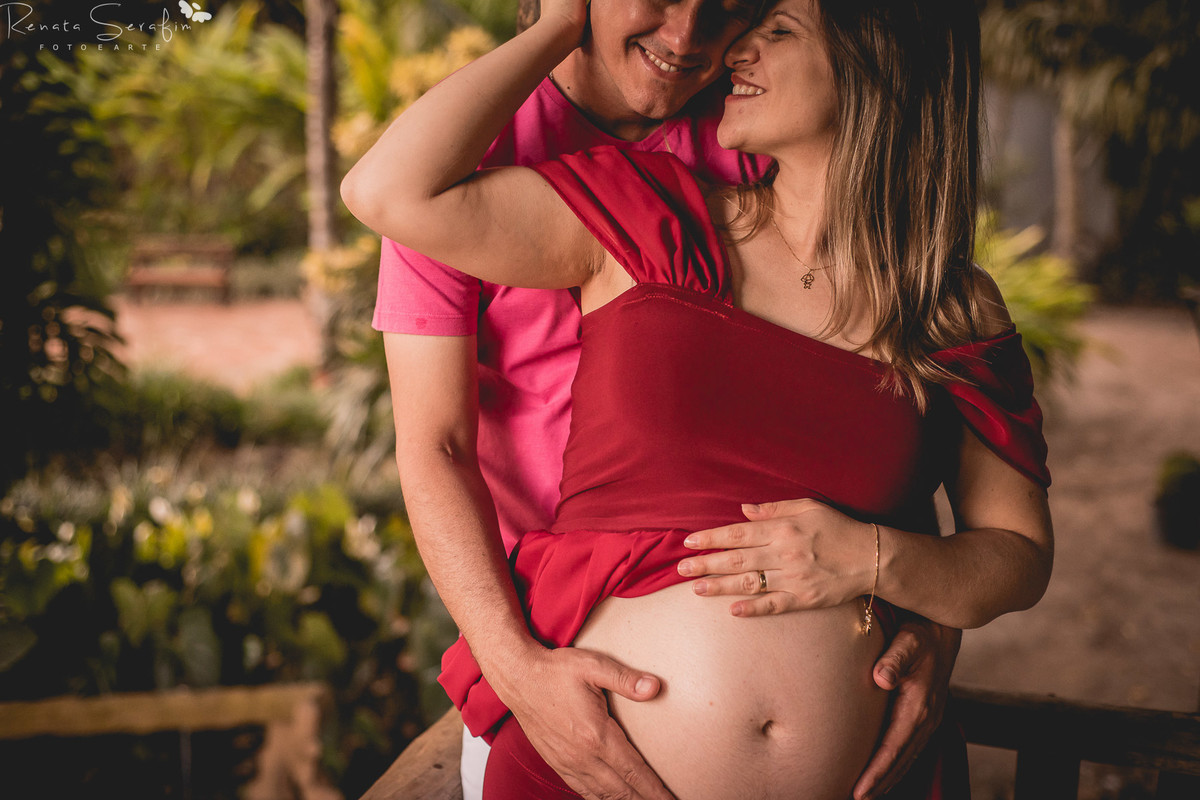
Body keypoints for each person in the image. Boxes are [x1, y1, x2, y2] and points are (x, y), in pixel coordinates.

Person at [349, 1, 989, 798]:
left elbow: (868, 408)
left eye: (724, 5)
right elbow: (435, 447)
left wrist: (932, 615)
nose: (688, 37)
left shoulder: (754, 128)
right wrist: (519, 673)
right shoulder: (460, 158)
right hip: (554, 647)